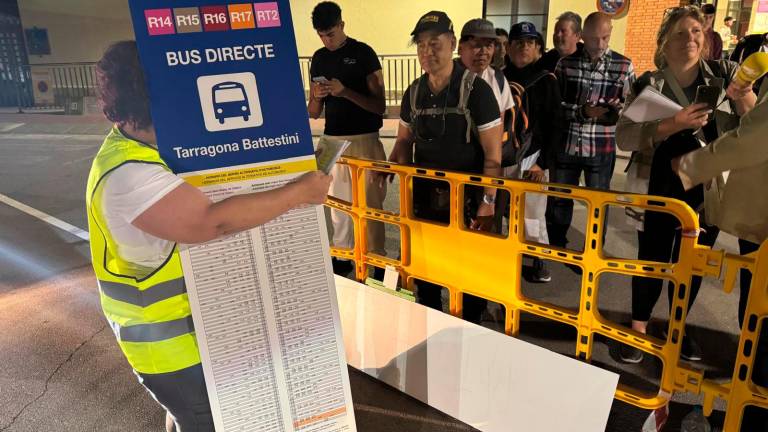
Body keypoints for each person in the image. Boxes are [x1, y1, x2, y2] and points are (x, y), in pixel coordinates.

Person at [88, 41, 332, 431]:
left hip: (190, 337)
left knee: (189, 417)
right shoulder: (127, 173)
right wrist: (298, 193)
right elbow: (210, 222)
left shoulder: (143, 147)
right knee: (203, 419)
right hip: (168, 350)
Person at [615, 6, 755, 364]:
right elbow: (626, 137)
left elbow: (754, 121)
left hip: (708, 187)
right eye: (681, 32)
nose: (690, 38)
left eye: (696, 31)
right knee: (652, 257)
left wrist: (743, 95)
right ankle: (639, 327)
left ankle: (677, 326)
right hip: (658, 182)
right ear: (664, 42)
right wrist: (672, 124)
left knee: (693, 263)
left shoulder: (724, 75)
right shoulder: (648, 82)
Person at [388, 11, 502, 321]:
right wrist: (391, 165)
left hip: (468, 203)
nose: (427, 52)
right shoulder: (414, 92)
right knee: (426, 273)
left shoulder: (477, 92)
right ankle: (432, 324)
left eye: (435, 43)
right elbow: (403, 141)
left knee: (469, 277)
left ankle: (471, 326)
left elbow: (493, 157)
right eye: (421, 45)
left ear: (452, 43)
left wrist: (487, 204)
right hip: (425, 202)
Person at [672, 71, 768, 432]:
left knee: (761, 317)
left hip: (763, 222)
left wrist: (689, 166)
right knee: (755, 312)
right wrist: (746, 98)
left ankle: (749, 413)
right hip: (759, 219)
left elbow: (753, 140)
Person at [307, 1, 387, 276]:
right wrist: (317, 97)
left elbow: (380, 107)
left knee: (370, 206)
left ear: (342, 25)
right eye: (321, 35)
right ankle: (341, 259)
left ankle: (376, 262)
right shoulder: (318, 58)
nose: (326, 40)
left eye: (330, 33)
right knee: (337, 209)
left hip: (364, 139)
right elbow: (313, 112)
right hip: (331, 140)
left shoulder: (363, 53)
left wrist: (345, 92)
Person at [548, 12, 635, 251]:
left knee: (598, 204)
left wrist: (617, 111)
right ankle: (557, 247)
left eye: (605, 38)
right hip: (568, 143)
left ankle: (594, 250)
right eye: (595, 38)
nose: (600, 44)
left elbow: (633, 107)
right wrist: (582, 112)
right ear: (583, 36)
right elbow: (555, 107)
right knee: (560, 199)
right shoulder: (565, 64)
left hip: (602, 145)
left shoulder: (624, 65)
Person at [503, 21, 565, 283]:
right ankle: (507, 256)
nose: (523, 47)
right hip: (504, 154)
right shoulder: (498, 78)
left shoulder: (547, 80)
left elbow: (556, 125)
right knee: (502, 209)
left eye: (529, 43)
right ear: (509, 47)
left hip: (533, 156)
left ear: (538, 48)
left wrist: (542, 163)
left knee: (533, 212)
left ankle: (538, 261)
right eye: (518, 42)